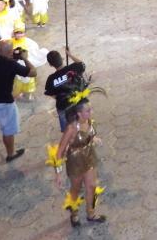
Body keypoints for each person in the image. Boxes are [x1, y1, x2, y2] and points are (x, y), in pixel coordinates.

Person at [0, 39, 36, 166]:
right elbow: (33, 72)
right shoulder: (12, 65)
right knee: (8, 130)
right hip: (4, 103)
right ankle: (10, 154)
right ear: (11, 52)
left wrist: (11, 59)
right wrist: (24, 59)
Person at [54, 97, 106, 227]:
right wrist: (58, 174)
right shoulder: (71, 129)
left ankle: (91, 213)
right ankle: (74, 213)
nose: (91, 112)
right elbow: (59, 152)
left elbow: (90, 135)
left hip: (89, 157)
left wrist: (94, 139)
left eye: (91, 109)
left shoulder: (89, 121)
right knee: (75, 190)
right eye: (88, 110)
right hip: (75, 163)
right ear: (79, 114)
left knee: (92, 187)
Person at [44, 48, 86, 131]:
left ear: (51, 65)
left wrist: (60, 97)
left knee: (68, 131)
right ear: (62, 58)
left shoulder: (51, 79)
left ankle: (71, 141)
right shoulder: (74, 68)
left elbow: (50, 93)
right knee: (84, 125)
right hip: (78, 102)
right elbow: (82, 64)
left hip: (63, 107)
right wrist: (70, 55)